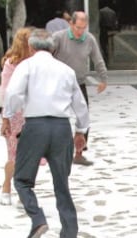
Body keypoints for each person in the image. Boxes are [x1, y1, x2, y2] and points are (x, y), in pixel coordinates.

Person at [3, 29, 89, 238]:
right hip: (61, 127)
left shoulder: (27, 66)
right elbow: (80, 105)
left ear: (31, 48)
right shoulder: (66, 70)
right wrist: (81, 130)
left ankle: (37, 218)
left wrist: (9, 115)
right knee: (62, 184)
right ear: (52, 48)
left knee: (22, 179)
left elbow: (12, 94)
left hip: (35, 126)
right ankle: (69, 236)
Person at [51, 11, 107, 167]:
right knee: (58, 116)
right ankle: (56, 150)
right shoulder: (58, 37)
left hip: (79, 82)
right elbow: (46, 54)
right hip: (59, 84)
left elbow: (98, 59)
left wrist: (103, 78)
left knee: (84, 116)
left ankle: (79, 152)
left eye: (83, 28)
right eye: (77, 27)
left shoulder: (89, 39)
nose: (80, 31)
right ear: (71, 24)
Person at [0, 27, 35, 207]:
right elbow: (5, 92)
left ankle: (23, 191)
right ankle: (6, 187)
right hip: (14, 114)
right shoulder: (10, 64)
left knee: (28, 155)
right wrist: (5, 118)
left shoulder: (34, 63)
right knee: (13, 155)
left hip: (31, 113)